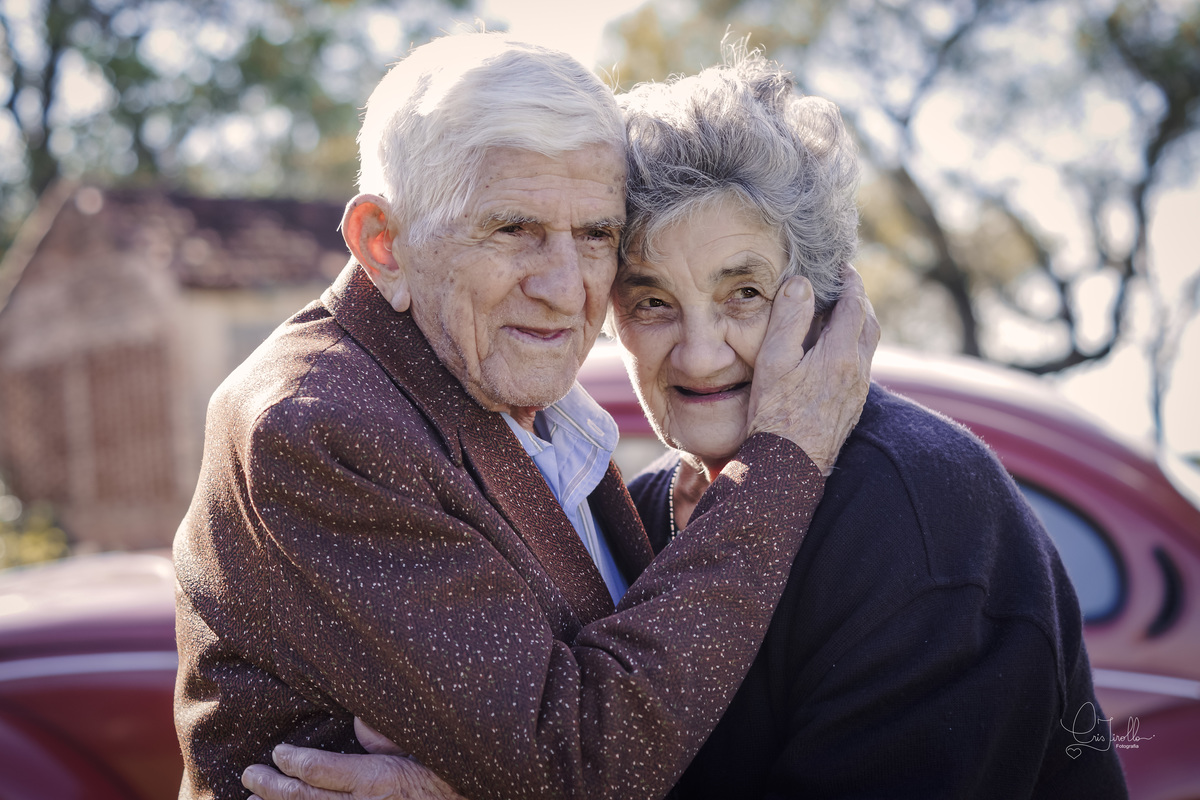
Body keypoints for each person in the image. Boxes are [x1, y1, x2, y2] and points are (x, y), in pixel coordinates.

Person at [244, 46, 1129, 799]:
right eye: (653, 301)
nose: (700, 357)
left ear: (819, 296)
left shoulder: (922, 508)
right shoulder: (641, 509)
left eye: (743, 294)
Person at [175, 32, 877, 800]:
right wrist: (784, 455)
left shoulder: (515, 392)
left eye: (596, 235)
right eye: (514, 230)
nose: (566, 287)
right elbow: (578, 763)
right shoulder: (315, 422)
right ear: (384, 244)